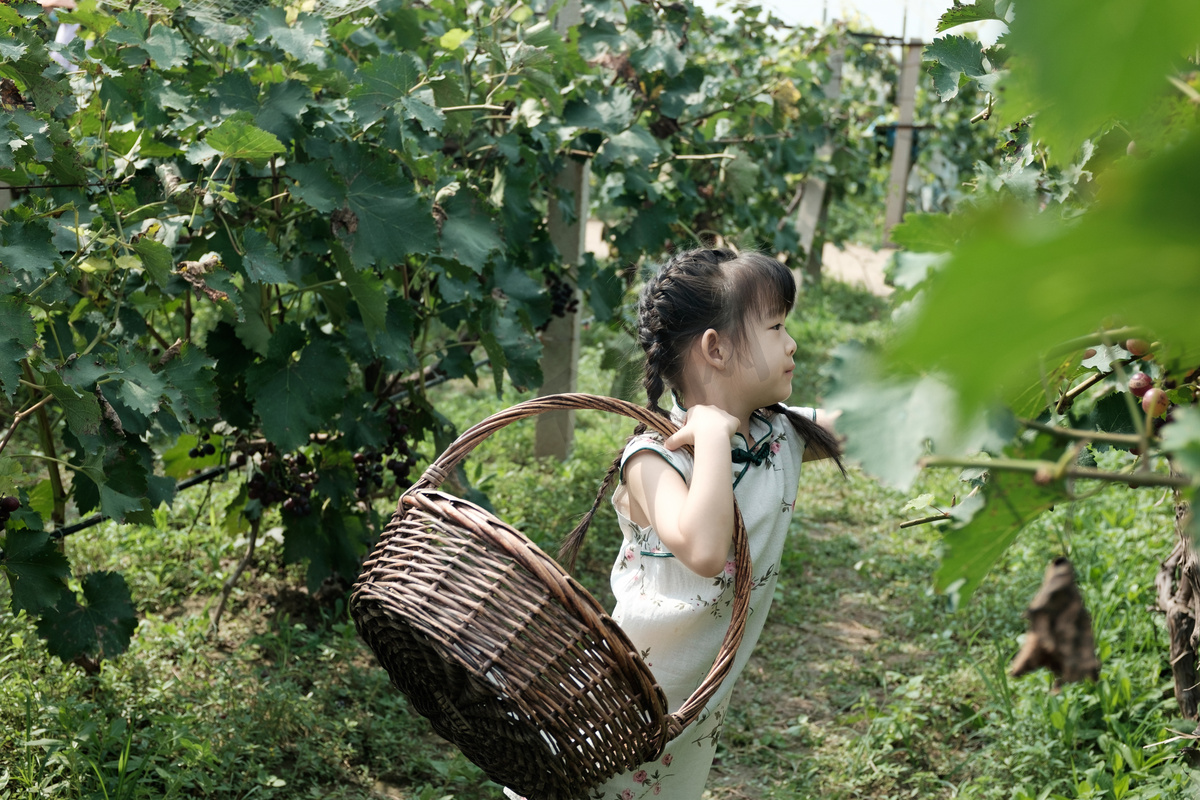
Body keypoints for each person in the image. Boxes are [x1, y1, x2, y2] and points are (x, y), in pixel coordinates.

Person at [507, 247, 844, 800]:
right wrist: (711, 434)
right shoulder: (653, 459)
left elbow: (879, 428)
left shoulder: (776, 434)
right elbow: (707, 550)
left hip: (688, 717)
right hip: (614, 711)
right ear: (716, 348)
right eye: (776, 325)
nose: (792, 342)